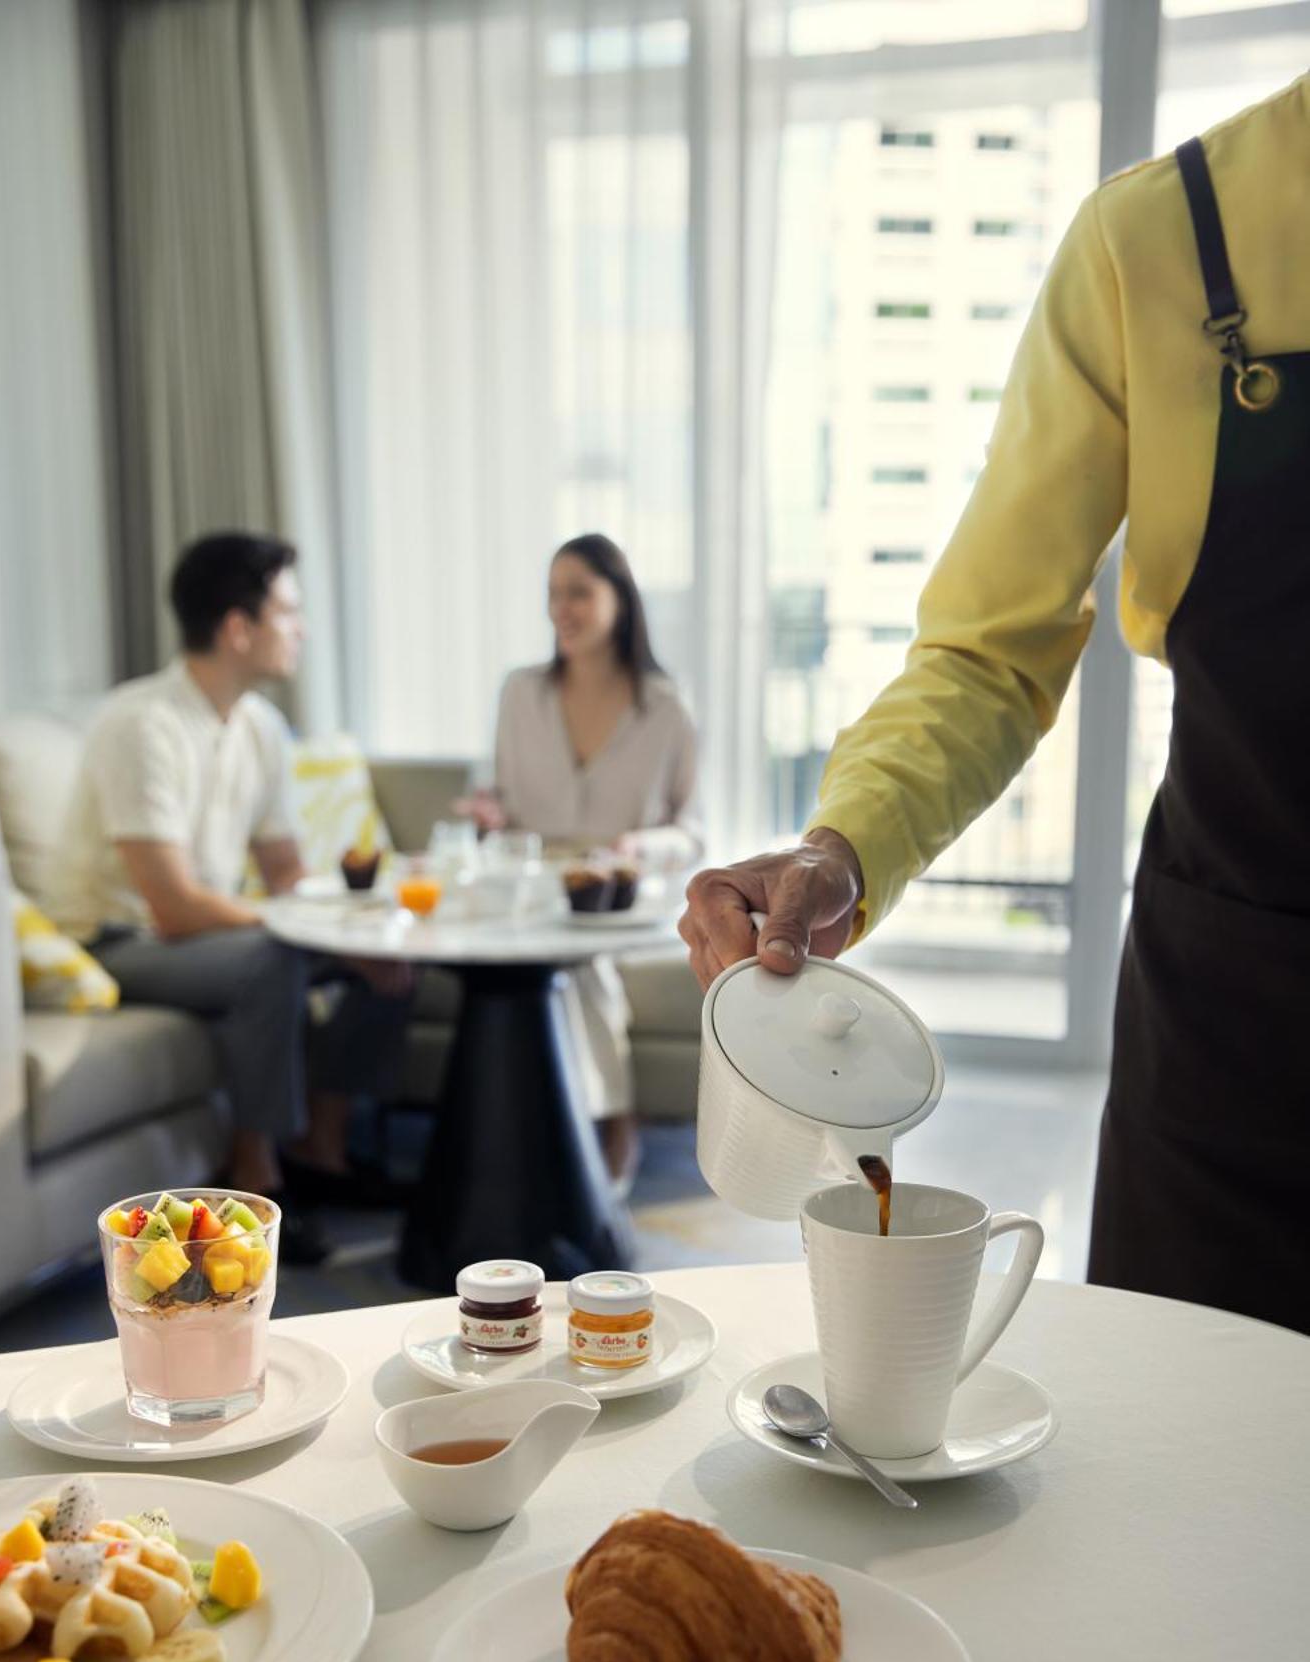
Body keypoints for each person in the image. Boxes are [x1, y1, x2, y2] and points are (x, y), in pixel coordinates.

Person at [682, 78, 1310, 1334]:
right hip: (1245, 1026)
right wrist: (837, 845)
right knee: (1197, 1468)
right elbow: (986, 651)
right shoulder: (1162, 237)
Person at [52, 532, 414, 1263]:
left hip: (199, 935)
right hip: (116, 939)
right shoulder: (142, 724)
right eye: (288, 612)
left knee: (390, 959)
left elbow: (283, 870)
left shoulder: (259, 726)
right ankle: (256, 1184)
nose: (300, 629)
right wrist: (303, 931)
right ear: (237, 627)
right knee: (270, 961)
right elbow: (172, 906)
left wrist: (354, 930)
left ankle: (324, 1149)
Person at [461, 534, 700, 1181]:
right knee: (534, 952)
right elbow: (501, 806)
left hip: (618, 893)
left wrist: (637, 848)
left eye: (577, 593)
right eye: (551, 594)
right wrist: (487, 817)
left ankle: (613, 1127)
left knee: (578, 960)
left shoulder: (666, 707)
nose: (559, 609)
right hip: (533, 886)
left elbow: (691, 831)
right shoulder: (520, 693)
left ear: (619, 600)